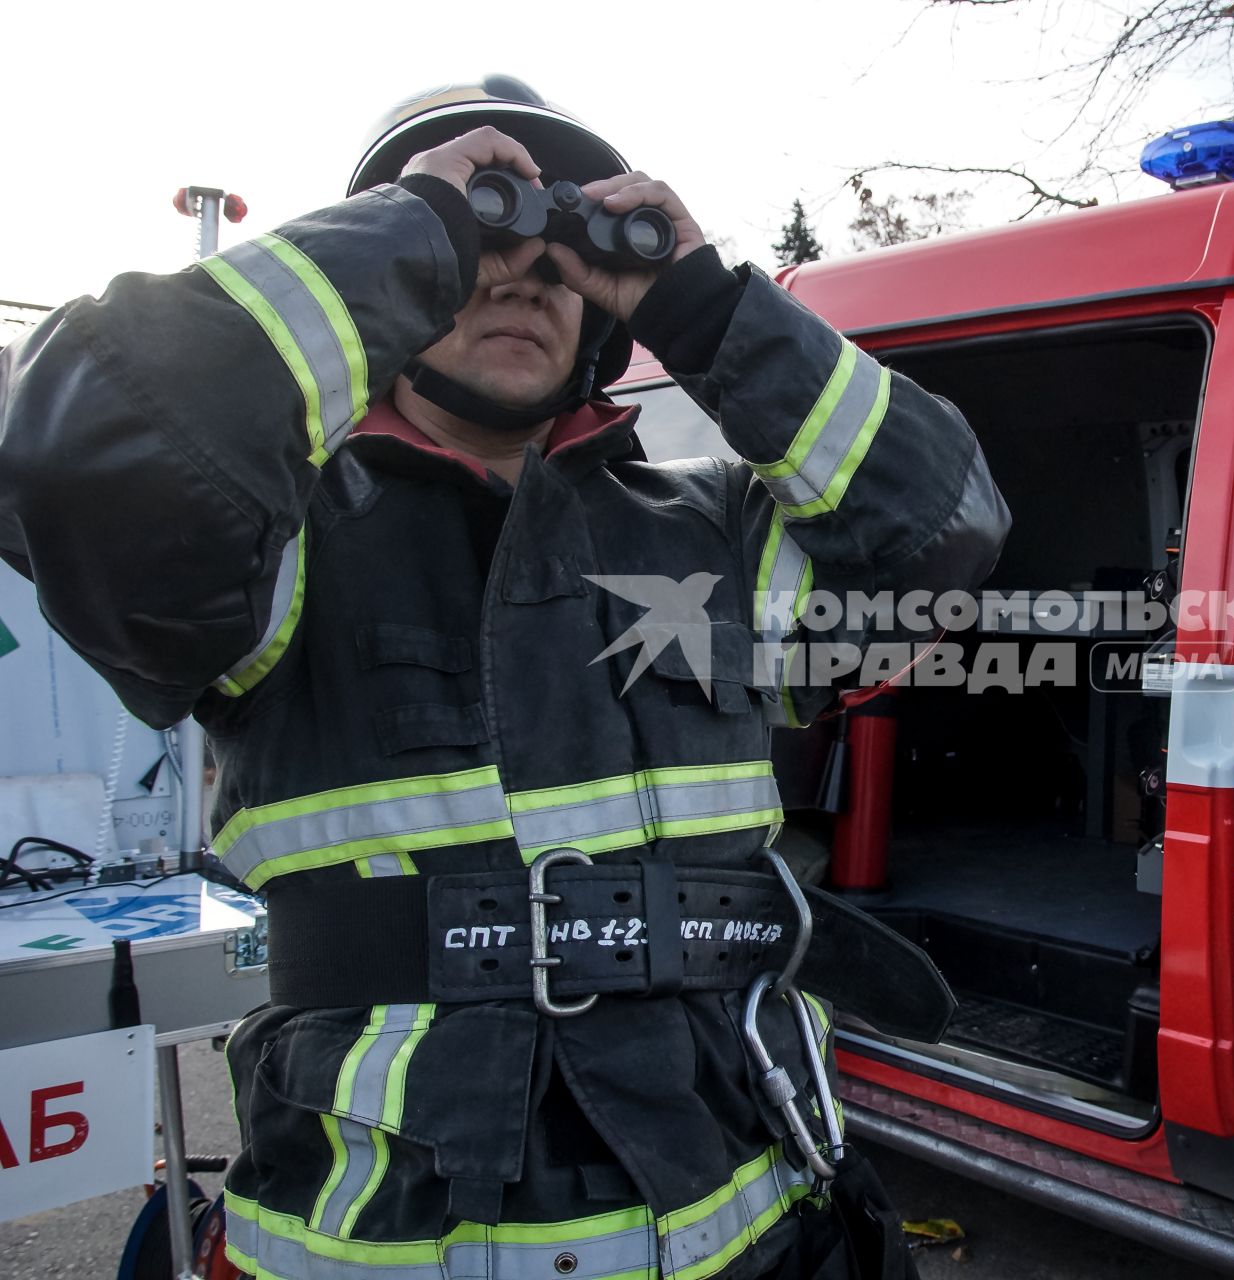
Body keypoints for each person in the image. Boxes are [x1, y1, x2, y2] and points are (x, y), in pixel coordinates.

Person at [0, 79, 1008, 1278]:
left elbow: (944, 527)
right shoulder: (278, 542)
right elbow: (84, 445)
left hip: (752, 1233)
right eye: (485, 234)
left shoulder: (719, 535)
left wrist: (705, 305)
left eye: (559, 253)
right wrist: (416, 231)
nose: (525, 270)